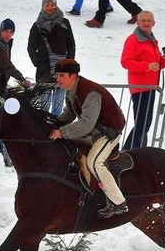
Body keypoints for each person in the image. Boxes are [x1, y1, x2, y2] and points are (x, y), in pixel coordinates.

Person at [48, 59, 128, 218]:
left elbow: (86, 124)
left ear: (73, 76)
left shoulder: (90, 92)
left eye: (62, 75)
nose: (58, 79)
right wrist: (53, 123)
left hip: (109, 133)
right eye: (57, 75)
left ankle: (119, 203)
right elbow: (69, 114)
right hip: (94, 131)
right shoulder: (72, 89)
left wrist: (62, 132)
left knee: (95, 162)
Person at [0, 18, 32, 167]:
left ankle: (1, 155)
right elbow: (6, 65)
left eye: (11, 32)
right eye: (6, 31)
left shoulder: (3, 43)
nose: (8, 34)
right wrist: (21, 79)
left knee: (1, 120)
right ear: (0, 30)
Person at [120, 10, 165, 149]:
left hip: (151, 87)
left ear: (154, 23)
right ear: (138, 22)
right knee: (143, 123)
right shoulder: (133, 39)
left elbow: (156, 65)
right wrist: (147, 66)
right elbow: (125, 62)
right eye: (143, 20)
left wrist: (164, 60)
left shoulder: (152, 40)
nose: (146, 23)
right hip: (140, 88)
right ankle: (128, 150)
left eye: (149, 20)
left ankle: (137, 150)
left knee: (145, 123)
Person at [27, 0, 76, 116]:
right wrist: (38, 63)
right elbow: (31, 47)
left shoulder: (64, 23)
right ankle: (44, 130)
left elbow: (71, 44)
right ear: (43, 7)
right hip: (45, 72)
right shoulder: (37, 25)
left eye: (52, 4)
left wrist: (70, 61)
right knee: (44, 106)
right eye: (47, 5)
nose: (50, 7)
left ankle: (54, 130)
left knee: (58, 107)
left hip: (62, 71)